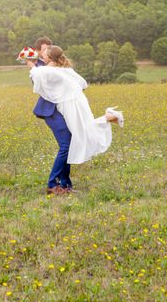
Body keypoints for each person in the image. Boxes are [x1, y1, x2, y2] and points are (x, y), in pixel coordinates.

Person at [26, 45, 124, 175]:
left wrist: (31, 65)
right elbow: (82, 83)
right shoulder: (64, 69)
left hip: (71, 104)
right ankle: (107, 118)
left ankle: (108, 117)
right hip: (77, 101)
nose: (41, 53)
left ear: (50, 57)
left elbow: (37, 73)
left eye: (44, 52)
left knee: (81, 131)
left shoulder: (52, 70)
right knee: (82, 130)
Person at [30, 37, 73, 195]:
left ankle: (65, 184)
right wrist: (31, 64)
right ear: (39, 52)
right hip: (51, 111)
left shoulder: (59, 67)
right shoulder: (39, 68)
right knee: (66, 146)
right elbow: (38, 81)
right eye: (43, 49)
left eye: (48, 49)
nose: (45, 52)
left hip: (64, 110)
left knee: (68, 146)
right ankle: (52, 184)